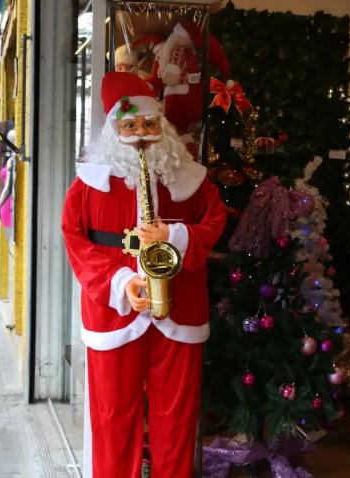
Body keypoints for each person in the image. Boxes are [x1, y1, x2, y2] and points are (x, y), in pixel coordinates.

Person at [61, 71, 227, 477]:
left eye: (149, 125)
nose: (140, 135)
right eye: (130, 125)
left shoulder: (190, 177)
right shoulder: (87, 184)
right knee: (113, 415)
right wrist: (120, 283)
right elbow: (75, 240)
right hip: (115, 312)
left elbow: (215, 220)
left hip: (179, 307)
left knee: (177, 416)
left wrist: (175, 235)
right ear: (113, 129)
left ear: (163, 126)